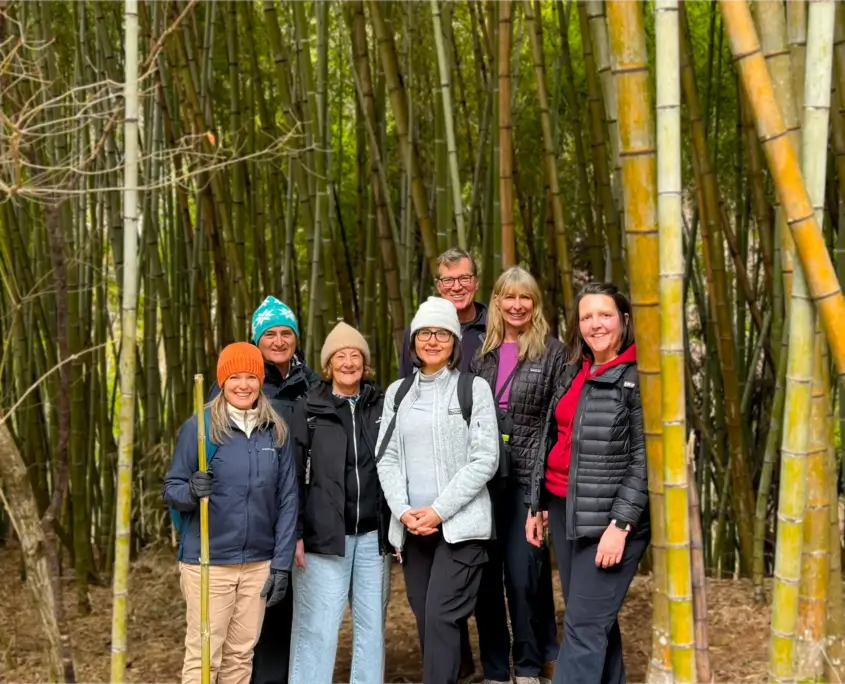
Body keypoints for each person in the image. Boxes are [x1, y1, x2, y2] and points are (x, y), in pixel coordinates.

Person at [528, 283, 649, 684]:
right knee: (596, 619)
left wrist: (621, 525)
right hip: (565, 509)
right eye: (586, 317)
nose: (595, 324)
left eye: (605, 315)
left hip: (610, 519)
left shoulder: (638, 377)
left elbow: (644, 460)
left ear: (624, 320)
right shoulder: (573, 369)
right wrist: (538, 503)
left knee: (582, 625)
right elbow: (552, 437)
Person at [376, 296, 500, 684]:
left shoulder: (473, 388)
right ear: (413, 341)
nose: (432, 340)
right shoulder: (397, 393)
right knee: (425, 616)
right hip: (413, 530)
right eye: (425, 333)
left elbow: (485, 459)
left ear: (454, 342)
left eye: (442, 333)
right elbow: (387, 458)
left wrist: (438, 510)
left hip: (459, 528)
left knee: (441, 615)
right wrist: (404, 511)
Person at [163, 342, 298, 684]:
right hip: (208, 563)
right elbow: (171, 489)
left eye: (250, 376)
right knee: (204, 655)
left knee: (241, 656)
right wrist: (191, 490)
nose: (243, 384)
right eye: (234, 376)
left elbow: (288, 501)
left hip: (258, 564)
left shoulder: (275, 430)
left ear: (259, 380)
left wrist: (280, 564)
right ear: (222, 381)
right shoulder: (200, 428)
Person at [471, 267, 564, 684]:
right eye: (508, 297)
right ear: (497, 302)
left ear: (535, 303)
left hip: (529, 480)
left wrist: (541, 497)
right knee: (485, 578)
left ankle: (528, 667)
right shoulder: (481, 356)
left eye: (525, 297)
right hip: (486, 481)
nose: (516, 305)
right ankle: (494, 669)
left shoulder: (553, 352)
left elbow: (557, 423)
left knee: (525, 577)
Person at [287, 322, 390, 684]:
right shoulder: (309, 408)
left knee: (371, 631)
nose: (349, 362)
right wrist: (295, 533)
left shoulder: (381, 404)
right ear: (329, 364)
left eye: (356, 355)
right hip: (323, 540)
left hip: (372, 538)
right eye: (340, 355)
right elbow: (293, 476)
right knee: (317, 631)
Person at [242, 296, 321, 684]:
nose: (277, 340)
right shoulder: (241, 384)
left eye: (285, 333)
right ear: (256, 339)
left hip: (309, 514)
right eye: (269, 334)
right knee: (264, 616)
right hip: (259, 515)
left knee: (300, 617)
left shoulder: (314, 383)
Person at [399, 247, 488, 377]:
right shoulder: (419, 332)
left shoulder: (495, 329)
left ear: (476, 282)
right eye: (448, 280)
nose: (457, 287)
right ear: (438, 286)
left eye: (464, 278)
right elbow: (405, 386)